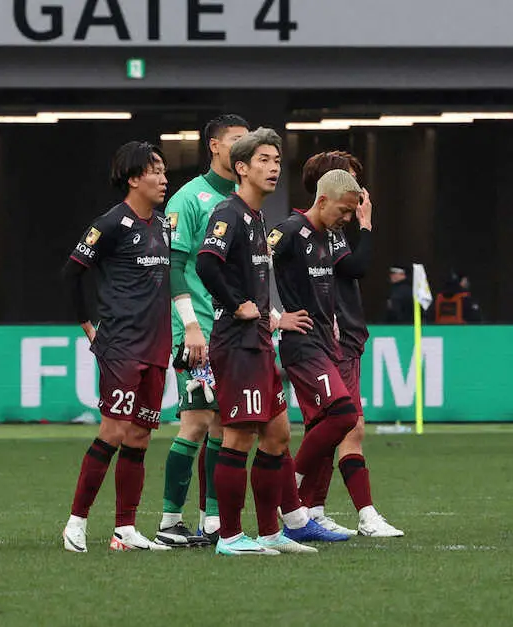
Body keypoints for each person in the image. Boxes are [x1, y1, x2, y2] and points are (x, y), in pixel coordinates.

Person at [196, 128, 348, 555]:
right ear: (241, 168)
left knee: (278, 434)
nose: (273, 168)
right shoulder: (229, 212)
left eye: (277, 161)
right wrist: (237, 304)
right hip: (237, 343)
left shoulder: (257, 217)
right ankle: (229, 537)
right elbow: (207, 263)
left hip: (260, 341)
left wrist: (270, 318)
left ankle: (269, 532)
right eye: (263, 160)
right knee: (239, 437)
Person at [273, 169, 406, 539]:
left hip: (325, 342)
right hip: (302, 344)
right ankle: (291, 491)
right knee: (344, 416)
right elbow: (248, 266)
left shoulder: (324, 237)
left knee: (330, 423)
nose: (348, 218)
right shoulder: (289, 230)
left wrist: (331, 322)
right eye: (344, 210)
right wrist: (274, 317)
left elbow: (335, 283)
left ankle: (307, 511)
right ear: (322, 200)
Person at [61, 141, 172, 552]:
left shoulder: (164, 225)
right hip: (121, 344)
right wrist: (88, 325)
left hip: (157, 345)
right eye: (155, 171)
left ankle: (125, 528)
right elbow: (72, 273)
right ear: (134, 179)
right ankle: (76, 523)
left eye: (163, 171)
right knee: (113, 431)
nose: (164, 179)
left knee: (140, 437)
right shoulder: (109, 224)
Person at [155, 113, 248, 547]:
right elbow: (174, 267)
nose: (245, 148)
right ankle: (168, 521)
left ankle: (211, 520)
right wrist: (190, 325)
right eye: (237, 140)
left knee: (222, 425)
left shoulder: (244, 200)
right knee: (196, 422)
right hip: (196, 330)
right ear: (214, 145)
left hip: (232, 329)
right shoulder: (188, 199)